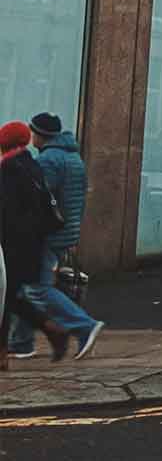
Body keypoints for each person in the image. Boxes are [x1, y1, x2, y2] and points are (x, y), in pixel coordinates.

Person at [7, 115, 101, 360]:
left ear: (41, 135)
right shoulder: (73, 157)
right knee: (27, 287)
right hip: (65, 231)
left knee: (38, 288)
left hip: (48, 234)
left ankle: (84, 325)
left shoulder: (49, 160)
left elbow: (36, 198)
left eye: (34, 133)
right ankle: (21, 342)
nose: (32, 139)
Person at [1, 121, 71, 368]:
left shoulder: (9, 168)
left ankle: (5, 353)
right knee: (10, 297)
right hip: (31, 244)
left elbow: (6, 210)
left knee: (7, 297)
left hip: (11, 244)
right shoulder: (31, 164)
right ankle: (51, 329)